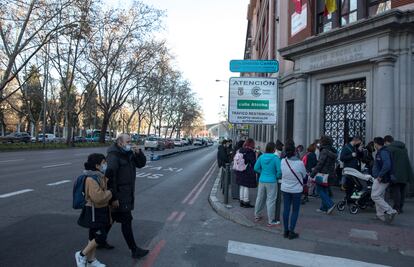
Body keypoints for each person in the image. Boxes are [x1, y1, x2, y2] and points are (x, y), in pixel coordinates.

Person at [104, 134, 149, 259]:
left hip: (126, 192)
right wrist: (113, 197)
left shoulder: (128, 154)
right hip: (119, 194)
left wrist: (138, 153)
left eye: (131, 141)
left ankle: (99, 240)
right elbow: (109, 177)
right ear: (120, 143)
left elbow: (141, 164)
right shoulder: (114, 156)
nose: (130, 143)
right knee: (126, 220)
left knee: (111, 219)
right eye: (128, 141)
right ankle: (134, 249)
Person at [75, 153, 112, 267]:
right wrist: (110, 192)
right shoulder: (91, 179)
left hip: (100, 210)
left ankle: (91, 260)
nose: (105, 165)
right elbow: (98, 198)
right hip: (94, 211)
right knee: (100, 237)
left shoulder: (99, 175)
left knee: (92, 237)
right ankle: (81, 254)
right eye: (103, 163)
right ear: (97, 165)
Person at [281, 140, 306, 239]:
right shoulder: (300, 163)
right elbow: (304, 175)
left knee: (286, 209)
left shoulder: (283, 161)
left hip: (285, 188)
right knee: (295, 210)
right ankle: (292, 231)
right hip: (296, 190)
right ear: (295, 151)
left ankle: (285, 231)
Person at [254, 142, 282, 227]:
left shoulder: (261, 157)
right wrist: (276, 176)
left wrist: (262, 172)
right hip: (272, 181)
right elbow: (279, 171)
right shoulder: (276, 158)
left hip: (262, 180)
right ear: (274, 149)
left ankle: (257, 216)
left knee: (260, 198)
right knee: (271, 200)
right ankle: (271, 220)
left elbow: (256, 168)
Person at [384, 135, 414, 214]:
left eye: (385, 143)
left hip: (396, 173)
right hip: (405, 173)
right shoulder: (404, 148)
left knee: (396, 191)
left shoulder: (390, 149)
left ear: (387, 141)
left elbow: (388, 162)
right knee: (402, 191)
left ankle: (397, 208)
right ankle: (400, 207)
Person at [371, 137, 398, 223]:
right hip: (381, 178)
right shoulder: (382, 152)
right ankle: (380, 215)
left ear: (376, 143)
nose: (374, 145)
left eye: (374, 143)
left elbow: (387, 165)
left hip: (382, 178)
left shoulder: (383, 152)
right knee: (380, 196)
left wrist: (380, 175)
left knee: (374, 196)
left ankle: (391, 211)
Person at [310, 135, 337, 215]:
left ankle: (330, 204)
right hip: (330, 174)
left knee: (319, 190)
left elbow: (320, 164)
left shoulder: (324, 151)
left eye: (320, 141)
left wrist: (312, 174)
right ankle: (323, 208)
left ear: (323, 142)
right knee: (324, 190)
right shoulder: (332, 150)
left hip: (323, 174)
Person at [340, 136, 364, 203]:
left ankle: (351, 199)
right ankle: (351, 199)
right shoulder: (346, 147)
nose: (359, 144)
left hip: (355, 170)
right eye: (359, 142)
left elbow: (360, 157)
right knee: (354, 186)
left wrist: (360, 150)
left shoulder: (355, 147)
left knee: (353, 186)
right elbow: (342, 158)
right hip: (349, 170)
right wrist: (351, 155)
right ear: (355, 140)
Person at [234, 138, 257, 208]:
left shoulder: (240, 150)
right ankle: (246, 202)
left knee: (242, 186)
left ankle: (241, 201)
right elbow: (253, 162)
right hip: (247, 171)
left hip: (239, 170)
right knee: (246, 186)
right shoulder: (250, 151)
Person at [273, 140, 284, 224]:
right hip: (276, 178)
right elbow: (278, 169)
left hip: (277, 178)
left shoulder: (279, 154)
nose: (282, 148)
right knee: (275, 197)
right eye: (281, 146)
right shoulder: (276, 156)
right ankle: (274, 218)